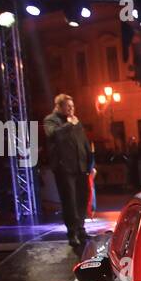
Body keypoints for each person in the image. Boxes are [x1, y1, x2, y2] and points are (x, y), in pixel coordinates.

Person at [42, 93, 94, 250]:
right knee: (69, 201)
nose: (72, 109)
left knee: (81, 199)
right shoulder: (51, 120)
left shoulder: (75, 121)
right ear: (59, 106)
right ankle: (72, 233)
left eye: (73, 106)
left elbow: (84, 142)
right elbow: (54, 135)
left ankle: (81, 229)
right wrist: (69, 125)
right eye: (68, 106)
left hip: (81, 167)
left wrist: (90, 163)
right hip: (65, 168)